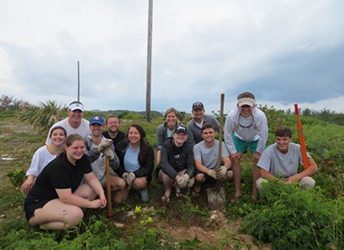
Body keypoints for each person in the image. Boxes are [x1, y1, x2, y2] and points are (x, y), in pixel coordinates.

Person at [24, 134, 106, 230]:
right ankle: (42, 225)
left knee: (91, 189)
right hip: (40, 204)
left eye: (82, 147)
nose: (79, 151)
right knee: (77, 215)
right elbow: (66, 198)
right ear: (66, 148)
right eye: (75, 148)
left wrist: (101, 194)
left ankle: (69, 212)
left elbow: (91, 178)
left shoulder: (82, 158)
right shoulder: (59, 167)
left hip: (58, 198)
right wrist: (91, 204)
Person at [224, 92, 268, 202]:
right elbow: (227, 134)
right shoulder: (231, 116)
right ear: (238, 106)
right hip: (239, 138)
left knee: (257, 162)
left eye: (248, 106)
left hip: (256, 138)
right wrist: (233, 152)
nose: (245, 109)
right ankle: (237, 192)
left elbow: (264, 134)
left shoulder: (260, 116)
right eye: (243, 106)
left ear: (254, 105)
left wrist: (258, 152)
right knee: (235, 160)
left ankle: (254, 192)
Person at [84, 116, 125, 199]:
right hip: (88, 180)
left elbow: (116, 165)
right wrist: (97, 151)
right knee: (88, 198)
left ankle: (102, 192)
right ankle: (97, 193)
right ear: (90, 127)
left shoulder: (107, 142)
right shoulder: (85, 141)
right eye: (93, 125)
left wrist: (112, 157)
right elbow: (84, 162)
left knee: (121, 184)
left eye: (99, 125)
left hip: (102, 177)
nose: (96, 128)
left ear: (103, 127)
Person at [21, 126, 67, 194]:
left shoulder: (68, 152)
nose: (58, 137)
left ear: (65, 138)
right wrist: (29, 179)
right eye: (55, 134)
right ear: (50, 137)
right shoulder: (41, 151)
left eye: (61, 135)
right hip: (43, 183)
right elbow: (34, 169)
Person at [114, 124, 154, 203]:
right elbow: (117, 163)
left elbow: (148, 168)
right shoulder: (121, 146)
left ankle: (142, 189)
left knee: (139, 183)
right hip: (125, 175)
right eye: (130, 133)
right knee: (118, 200)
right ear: (127, 135)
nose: (133, 135)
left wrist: (134, 174)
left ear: (141, 135)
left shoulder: (147, 148)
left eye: (136, 133)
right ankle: (128, 186)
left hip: (139, 176)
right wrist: (123, 174)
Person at [193, 123, 233, 197]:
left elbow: (228, 161)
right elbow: (198, 165)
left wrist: (224, 168)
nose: (208, 135)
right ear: (202, 135)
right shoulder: (197, 147)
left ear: (215, 133)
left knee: (230, 174)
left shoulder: (221, 144)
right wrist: (209, 172)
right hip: (205, 171)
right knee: (199, 177)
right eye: (205, 133)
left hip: (217, 170)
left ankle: (219, 184)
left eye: (210, 132)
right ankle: (198, 185)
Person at [158, 125, 195, 202]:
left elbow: (191, 165)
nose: (180, 136)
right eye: (178, 134)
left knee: (191, 181)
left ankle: (178, 186)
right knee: (166, 175)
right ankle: (167, 190)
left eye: (183, 134)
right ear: (174, 135)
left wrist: (187, 175)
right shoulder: (166, 145)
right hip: (168, 172)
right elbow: (164, 163)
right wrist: (177, 177)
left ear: (186, 137)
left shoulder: (189, 147)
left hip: (181, 170)